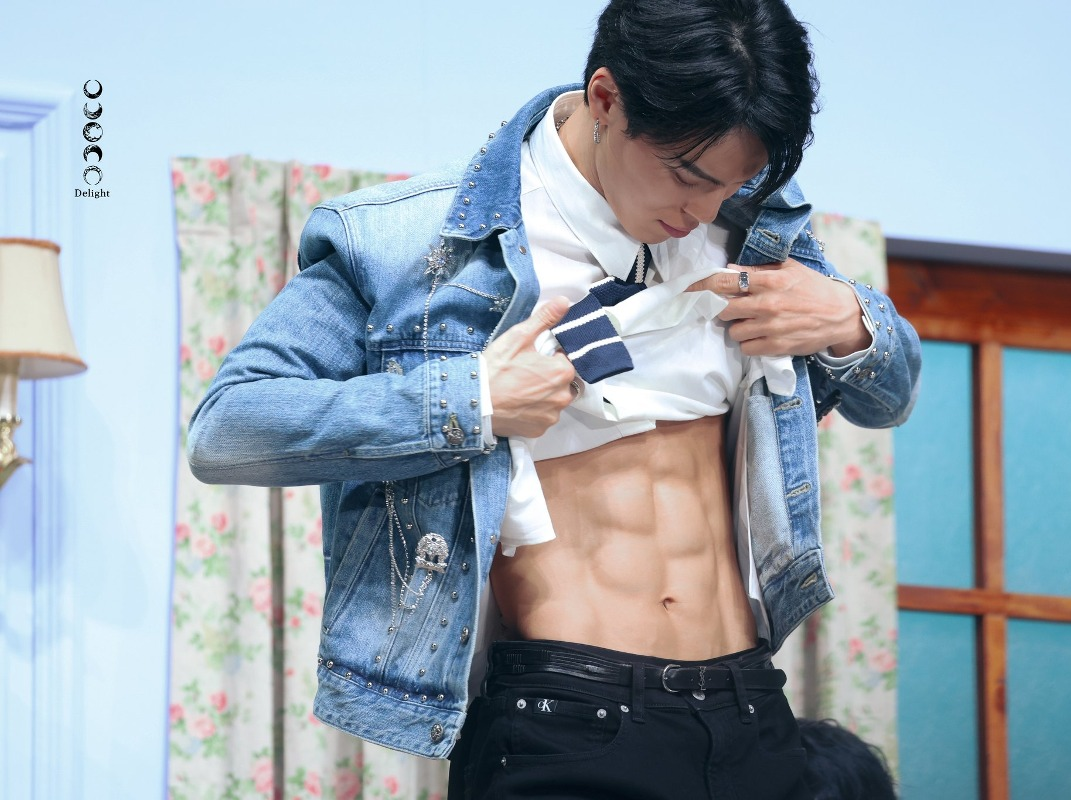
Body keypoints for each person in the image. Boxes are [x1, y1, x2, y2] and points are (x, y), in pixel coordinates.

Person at [188, 0, 920, 797]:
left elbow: (889, 399)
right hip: (565, 718)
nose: (704, 212)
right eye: (687, 175)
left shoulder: (756, 231)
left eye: (734, 184)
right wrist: (472, 400)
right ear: (605, 100)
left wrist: (850, 320)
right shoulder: (412, 241)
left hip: (749, 708)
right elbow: (227, 429)